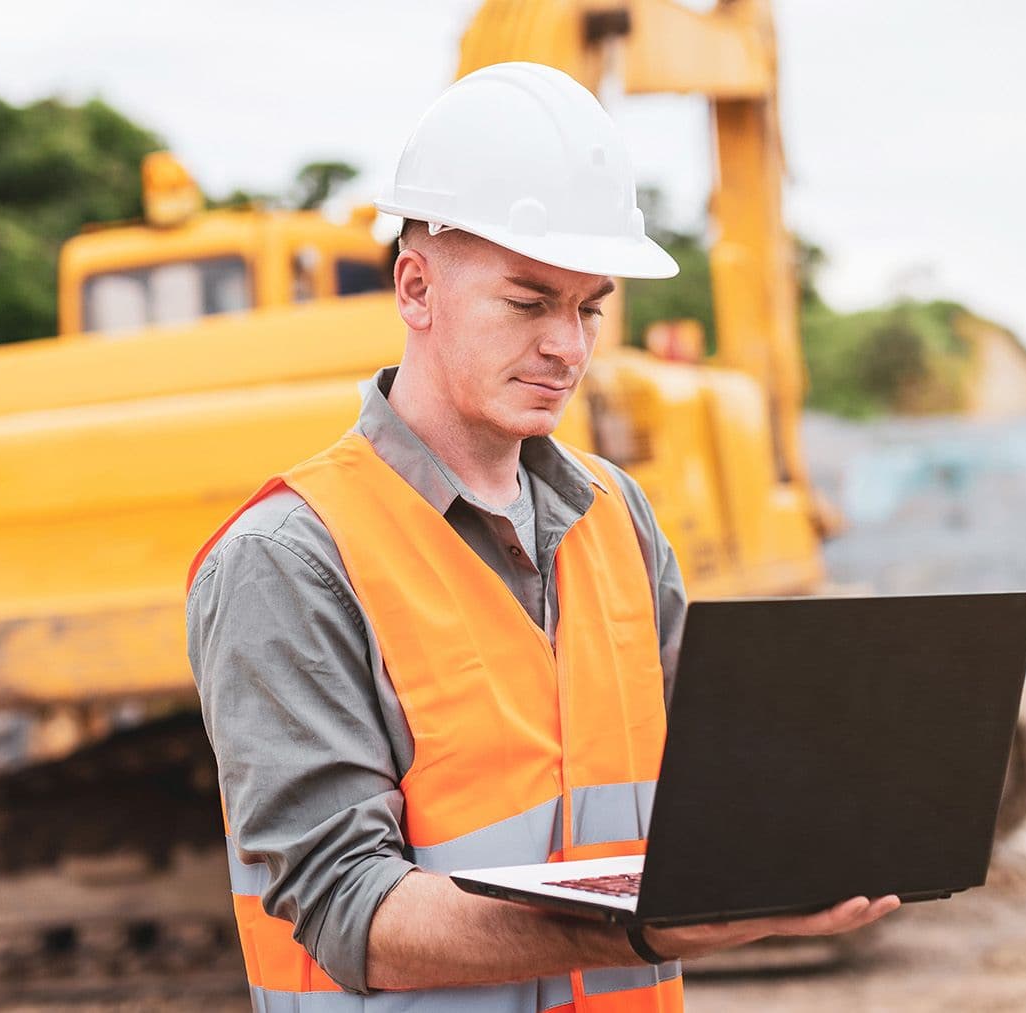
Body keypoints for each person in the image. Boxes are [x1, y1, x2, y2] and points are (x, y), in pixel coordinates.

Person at [185, 61, 898, 1012]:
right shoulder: (290, 558)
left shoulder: (618, 516)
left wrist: (824, 822)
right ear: (415, 286)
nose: (569, 345)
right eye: (529, 302)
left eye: (589, 306)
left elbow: (708, 782)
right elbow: (348, 911)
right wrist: (649, 925)